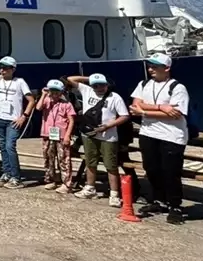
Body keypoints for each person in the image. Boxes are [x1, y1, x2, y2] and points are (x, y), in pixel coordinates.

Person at [130, 53, 191, 224]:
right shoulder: (144, 84)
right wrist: (161, 107)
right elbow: (135, 104)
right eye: (150, 66)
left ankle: (175, 206)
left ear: (166, 68)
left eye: (155, 67)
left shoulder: (178, 88)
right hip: (149, 132)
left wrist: (144, 112)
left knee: (171, 172)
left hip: (171, 135)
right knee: (151, 168)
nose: (151, 70)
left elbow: (175, 113)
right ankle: (158, 200)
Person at [66, 73, 131, 205]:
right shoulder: (87, 90)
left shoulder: (115, 97)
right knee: (91, 162)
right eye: (96, 85)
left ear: (107, 85)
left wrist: (108, 126)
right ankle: (90, 188)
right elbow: (70, 79)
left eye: (102, 85)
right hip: (89, 134)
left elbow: (124, 116)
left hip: (108, 136)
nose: (99, 88)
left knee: (111, 165)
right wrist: (90, 78)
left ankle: (114, 193)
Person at [0, 56, 35, 186]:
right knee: (3, 146)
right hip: (0, 118)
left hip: (13, 120)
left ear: (13, 69)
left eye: (5, 68)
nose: (2, 70)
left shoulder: (20, 82)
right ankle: (7, 173)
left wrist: (24, 116)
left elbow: (31, 100)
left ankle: (16, 177)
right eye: (1, 67)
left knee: (10, 146)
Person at [38, 80, 77, 192]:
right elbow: (38, 108)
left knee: (64, 159)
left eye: (56, 92)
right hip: (47, 134)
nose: (54, 94)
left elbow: (71, 120)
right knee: (48, 158)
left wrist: (67, 136)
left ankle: (67, 183)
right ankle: (51, 179)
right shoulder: (46, 101)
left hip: (61, 134)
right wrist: (43, 94)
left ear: (61, 93)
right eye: (52, 91)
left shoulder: (67, 104)